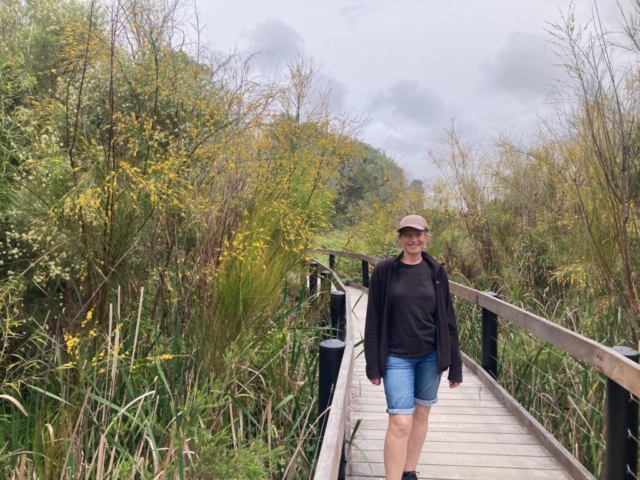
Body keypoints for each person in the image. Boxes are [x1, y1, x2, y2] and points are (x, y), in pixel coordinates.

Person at [364, 214, 462, 480]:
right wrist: (372, 363)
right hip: (396, 357)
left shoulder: (436, 272)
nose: (413, 239)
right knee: (400, 421)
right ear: (400, 238)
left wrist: (456, 367)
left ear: (426, 237)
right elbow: (373, 319)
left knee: (420, 414)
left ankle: (409, 472)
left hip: (431, 356)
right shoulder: (385, 271)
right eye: (407, 234)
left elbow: (448, 319)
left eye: (418, 234)